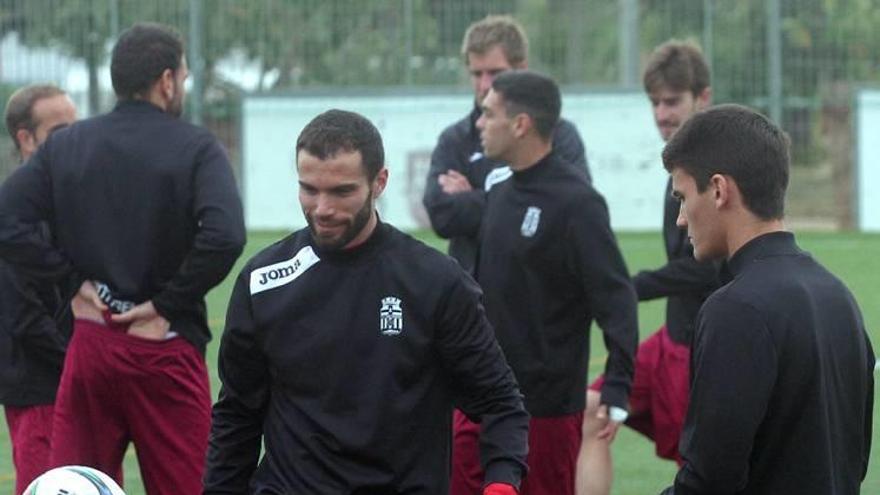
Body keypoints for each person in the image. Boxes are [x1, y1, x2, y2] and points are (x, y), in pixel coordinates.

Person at [203, 109, 529, 495]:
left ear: (379, 182)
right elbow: (237, 415)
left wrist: (501, 485)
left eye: (342, 191)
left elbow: (500, 403)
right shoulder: (263, 282)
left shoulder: (435, 282)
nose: (322, 209)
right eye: (309, 189)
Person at [0, 23, 246, 495]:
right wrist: (168, 304)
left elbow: (8, 221)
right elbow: (224, 235)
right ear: (168, 80)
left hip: (93, 344)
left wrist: (73, 282)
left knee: (74, 487)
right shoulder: (195, 147)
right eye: (184, 77)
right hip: (164, 345)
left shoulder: (67, 145)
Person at [659, 104, 874, 494]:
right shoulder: (839, 296)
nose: (680, 218)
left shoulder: (735, 309)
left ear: (720, 190)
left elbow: (709, 481)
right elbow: (854, 461)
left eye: (683, 196)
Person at [450, 70, 637, 495]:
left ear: (520, 124)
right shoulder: (498, 193)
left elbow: (616, 298)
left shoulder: (577, 203)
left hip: (545, 409)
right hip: (479, 400)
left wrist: (618, 383)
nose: (479, 123)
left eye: (488, 114)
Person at [577, 40, 720, 495]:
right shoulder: (679, 164)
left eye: (673, 101)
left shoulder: (718, 171)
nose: (661, 113)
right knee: (592, 411)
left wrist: (624, 287)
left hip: (701, 350)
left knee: (704, 469)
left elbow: (704, 270)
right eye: (655, 102)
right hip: (669, 341)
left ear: (703, 98)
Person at [422, 14, 591, 274]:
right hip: (473, 301)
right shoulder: (455, 139)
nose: (485, 85)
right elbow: (442, 217)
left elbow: (568, 211)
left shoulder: (560, 135)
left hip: (542, 299)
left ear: (521, 69)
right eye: (476, 74)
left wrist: (471, 198)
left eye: (495, 73)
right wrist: (526, 204)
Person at [0, 84, 76, 494]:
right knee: (49, 486)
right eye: (61, 131)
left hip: (68, 382)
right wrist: (79, 363)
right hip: (40, 387)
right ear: (25, 140)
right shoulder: (15, 216)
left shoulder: (66, 202)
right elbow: (24, 317)